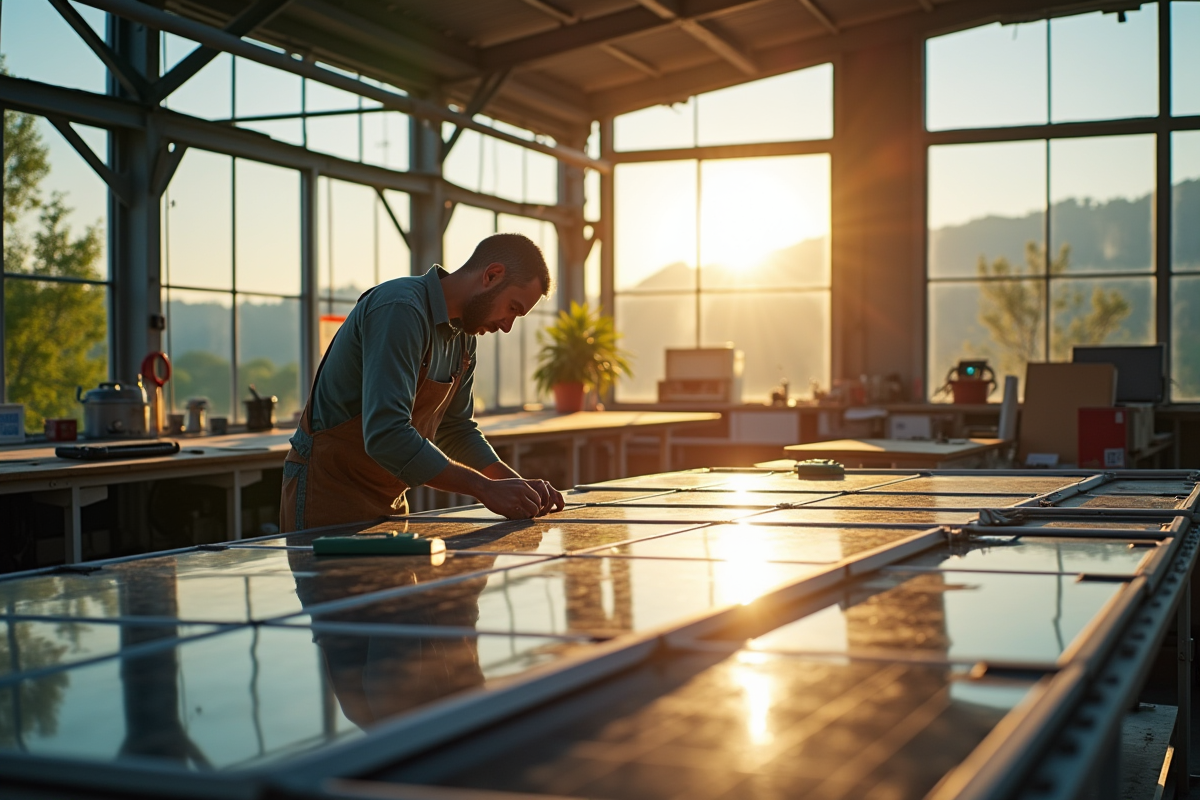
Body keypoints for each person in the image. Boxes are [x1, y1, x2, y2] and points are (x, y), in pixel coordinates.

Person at [280, 232, 565, 532]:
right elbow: (386, 434)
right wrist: (484, 489)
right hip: (328, 496)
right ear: (492, 275)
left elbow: (455, 429)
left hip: (390, 502)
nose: (507, 327)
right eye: (513, 308)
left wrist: (515, 486)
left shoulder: (464, 338)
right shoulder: (400, 309)